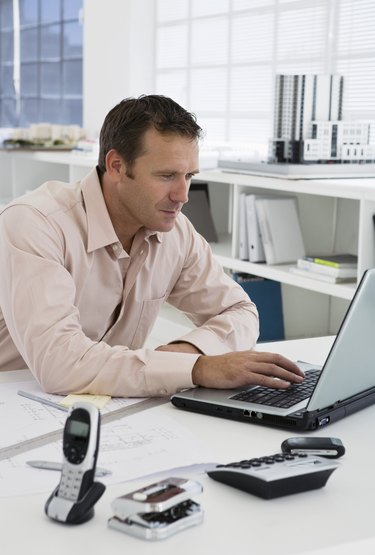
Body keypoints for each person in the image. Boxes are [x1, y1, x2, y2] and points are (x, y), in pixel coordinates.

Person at [0, 95, 304, 397]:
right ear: (117, 165)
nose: (183, 195)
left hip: (108, 402)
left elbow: (240, 311)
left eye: (189, 176)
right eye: (167, 175)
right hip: (16, 405)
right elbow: (60, 365)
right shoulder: (36, 224)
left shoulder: (176, 232)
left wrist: (185, 353)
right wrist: (197, 368)